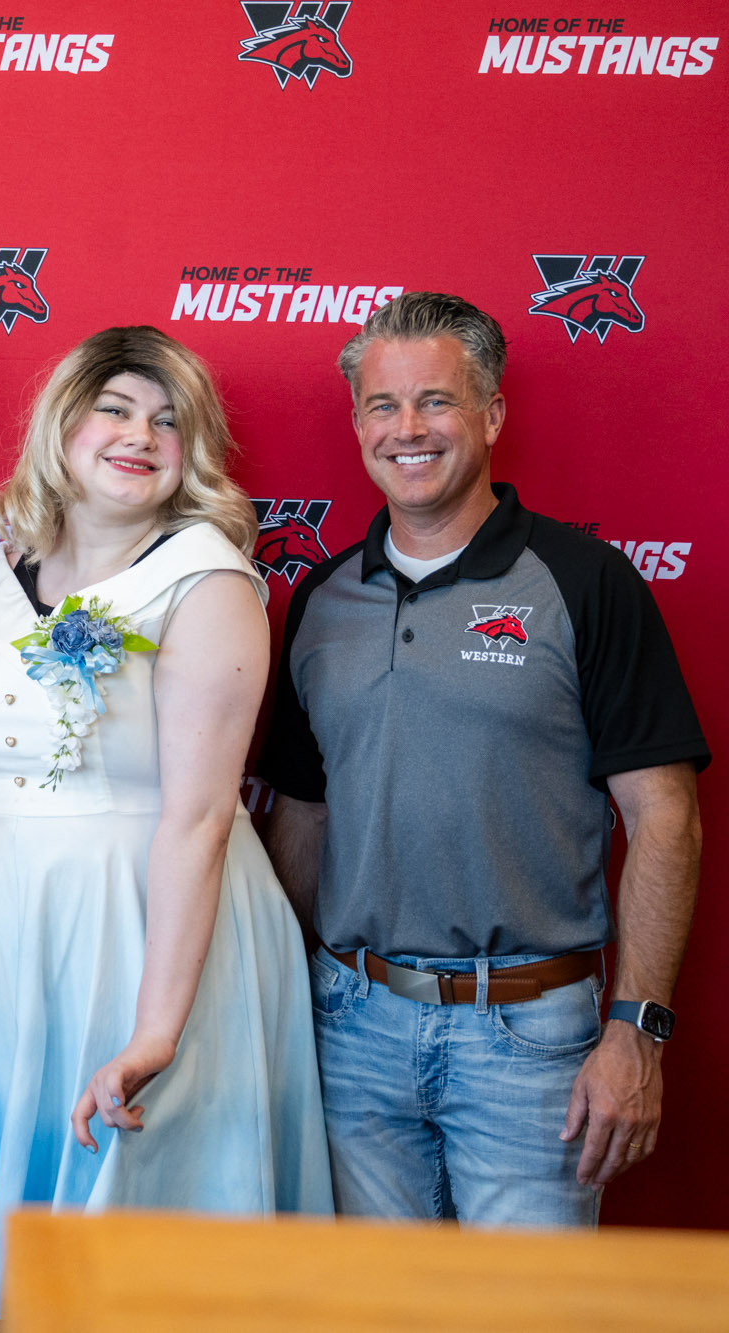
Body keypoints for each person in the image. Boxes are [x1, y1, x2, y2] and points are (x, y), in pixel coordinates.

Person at [0, 326, 333, 1317]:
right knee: (34, 1279)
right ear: (62, 424)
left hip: (152, 943)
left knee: (153, 1269)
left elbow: (198, 819)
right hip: (10, 946)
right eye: (117, 408)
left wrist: (156, 1033)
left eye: (169, 421)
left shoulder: (206, 580)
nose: (140, 435)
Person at [258, 292, 708, 1223]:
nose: (407, 429)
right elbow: (303, 813)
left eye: (437, 401)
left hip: (531, 1038)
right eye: (382, 405)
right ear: (357, 422)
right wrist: (280, 1004)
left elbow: (665, 817)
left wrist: (636, 1029)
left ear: (492, 414)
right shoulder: (320, 599)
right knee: (376, 1314)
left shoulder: (586, 584)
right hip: (353, 1026)